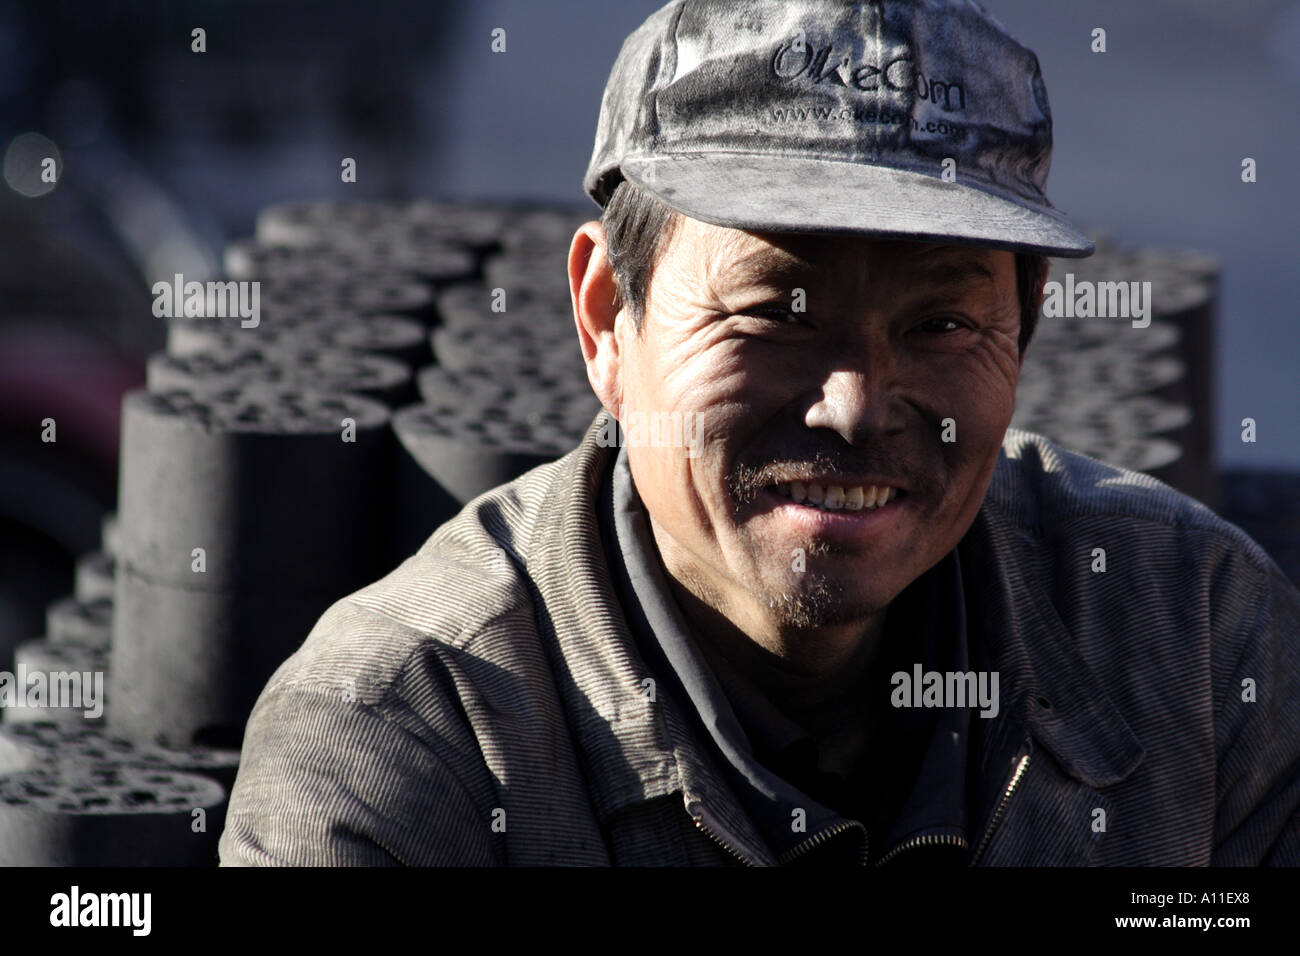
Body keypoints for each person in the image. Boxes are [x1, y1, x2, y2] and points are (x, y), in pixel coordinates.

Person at [219, 0, 1300, 866]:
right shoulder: (405, 743)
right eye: (775, 313)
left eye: (942, 323)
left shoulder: (1193, 638)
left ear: (1022, 328)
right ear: (606, 316)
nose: (856, 404)